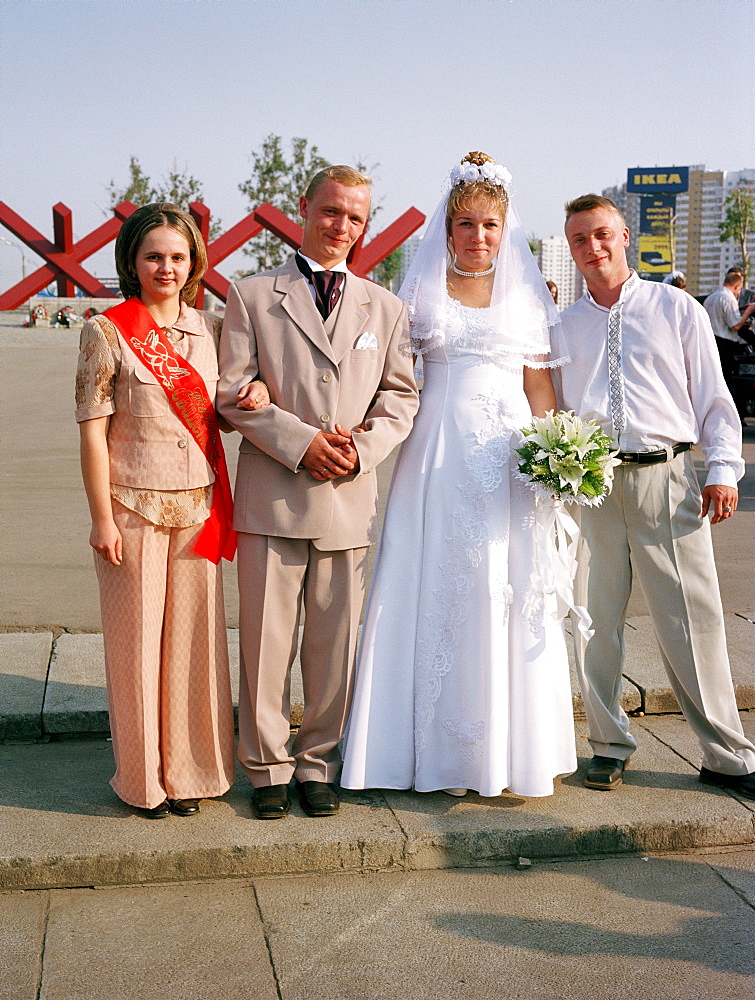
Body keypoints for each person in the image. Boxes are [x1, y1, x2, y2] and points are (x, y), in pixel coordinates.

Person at [341, 152, 577, 799]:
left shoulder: (529, 297)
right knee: (433, 585)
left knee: (503, 584)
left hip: (506, 460)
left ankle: (503, 756)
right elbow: (384, 375)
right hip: (435, 456)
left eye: (489, 225)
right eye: (466, 223)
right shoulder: (415, 293)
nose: (478, 235)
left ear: (506, 230)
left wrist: (557, 461)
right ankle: (421, 752)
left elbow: (540, 388)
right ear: (447, 229)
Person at [217, 165, 419, 820]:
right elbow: (234, 391)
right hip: (273, 493)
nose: (341, 226)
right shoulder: (250, 296)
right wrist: (300, 440)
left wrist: (359, 450)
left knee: (335, 648)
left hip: (346, 498)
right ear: (303, 209)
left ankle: (316, 762)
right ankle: (267, 765)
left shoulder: (384, 308)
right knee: (267, 643)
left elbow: (400, 397)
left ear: (366, 225)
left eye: (355, 217)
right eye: (330, 211)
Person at [557, 193, 755, 799]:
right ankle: (608, 745)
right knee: (592, 621)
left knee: (692, 620)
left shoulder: (676, 308)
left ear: (624, 234)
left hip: (667, 482)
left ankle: (727, 754)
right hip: (590, 485)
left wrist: (723, 469)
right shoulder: (563, 325)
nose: (593, 248)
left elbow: (715, 399)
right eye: (579, 241)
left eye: (601, 235)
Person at [76, 204, 265, 818]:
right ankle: (143, 781)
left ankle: (190, 774)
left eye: (178, 257)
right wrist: (101, 518)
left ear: (194, 264)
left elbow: (229, 405)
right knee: (136, 648)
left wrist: (254, 392)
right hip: (131, 510)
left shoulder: (212, 331)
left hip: (198, 510)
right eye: (153, 255)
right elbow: (92, 434)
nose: (166, 267)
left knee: (194, 647)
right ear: (132, 261)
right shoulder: (106, 332)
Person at [704, 269, 755, 418]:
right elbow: (735, 326)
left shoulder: (711, 297)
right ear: (737, 286)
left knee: (714, 381)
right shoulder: (727, 298)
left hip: (712, 342)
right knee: (726, 382)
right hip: (725, 345)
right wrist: (749, 310)